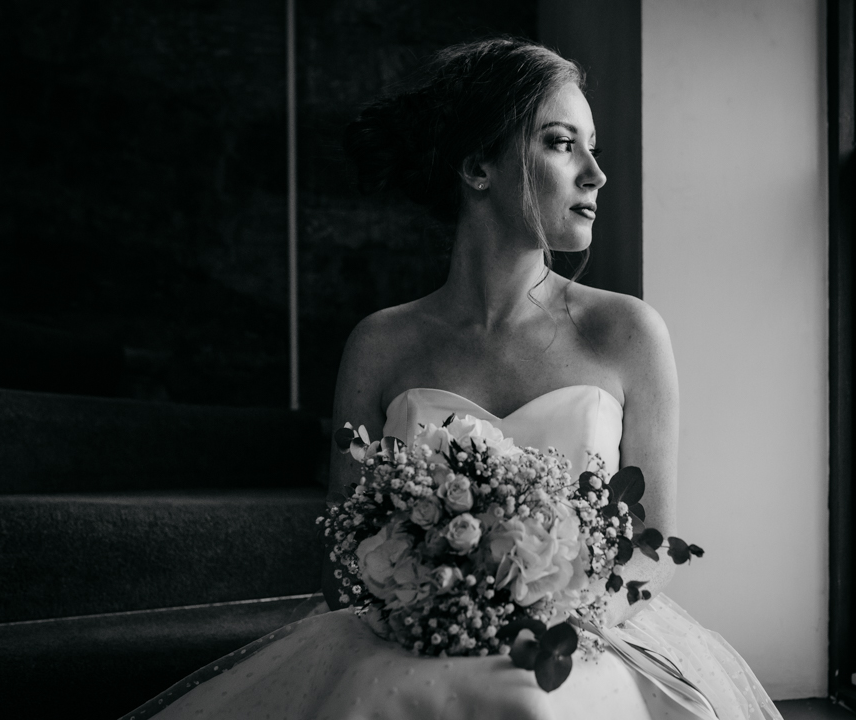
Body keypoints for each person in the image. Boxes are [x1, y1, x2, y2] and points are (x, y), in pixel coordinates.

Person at [120, 37, 783, 720]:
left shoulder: (628, 334)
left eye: (595, 148)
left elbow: (654, 549)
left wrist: (548, 615)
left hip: (580, 644)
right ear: (477, 167)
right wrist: (438, 608)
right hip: (416, 647)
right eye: (562, 144)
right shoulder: (380, 344)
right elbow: (339, 569)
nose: (595, 175)